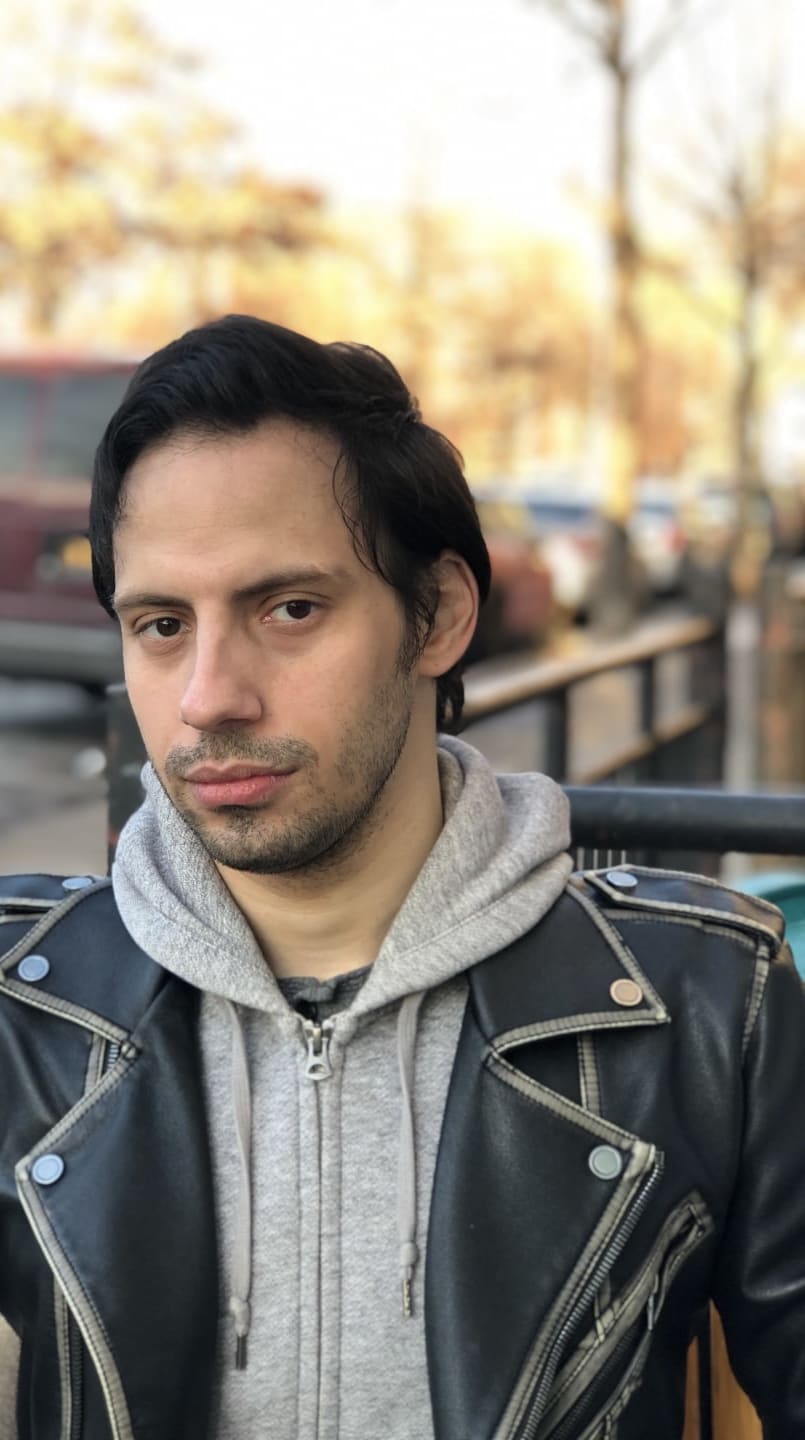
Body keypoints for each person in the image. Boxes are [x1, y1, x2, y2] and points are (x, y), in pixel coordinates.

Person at [0, 316, 803, 1440]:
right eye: (162, 624)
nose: (208, 696)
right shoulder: (25, 1008)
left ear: (439, 617)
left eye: (289, 609)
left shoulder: (708, 1003)